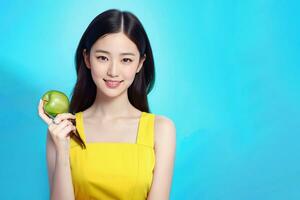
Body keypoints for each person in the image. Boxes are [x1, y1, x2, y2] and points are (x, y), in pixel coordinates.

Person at [38, 8, 176, 200]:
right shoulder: (62, 130)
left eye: (126, 60)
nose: (113, 71)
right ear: (87, 58)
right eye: (102, 58)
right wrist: (62, 150)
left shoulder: (161, 129)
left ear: (140, 63)